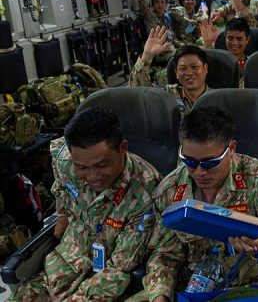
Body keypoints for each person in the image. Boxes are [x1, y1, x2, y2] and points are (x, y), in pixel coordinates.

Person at [135, 107, 258, 302]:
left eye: (209, 163)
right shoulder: (170, 190)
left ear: (231, 149)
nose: (199, 172)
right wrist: (160, 295)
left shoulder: (256, 178)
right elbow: (164, 255)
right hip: (190, 287)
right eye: (189, 161)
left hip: (245, 287)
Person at [9, 107, 162, 302]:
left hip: (104, 279)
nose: (92, 177)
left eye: (102, 165)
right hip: (64, 263)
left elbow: (120, 267)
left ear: (123, 148)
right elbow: (61, 187)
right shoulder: (64, 159)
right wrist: (62, 215)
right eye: (81, 167)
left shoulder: (146, 191)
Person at [130, 27, 211, 117]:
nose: (189, 73)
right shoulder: (169, 95)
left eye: (194, 67)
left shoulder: (218, 97)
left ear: (205, 68)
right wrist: (146, 57)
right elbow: (138, 91)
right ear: (176, 73)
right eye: (183, 68)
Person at [199, 17, 250, 87]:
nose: (234, 43)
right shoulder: (218, 62)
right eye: (230, 38)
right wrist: (207, 43)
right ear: (225, 38)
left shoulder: (251, 64)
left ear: (247, 39)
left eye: (239, 39)